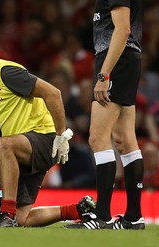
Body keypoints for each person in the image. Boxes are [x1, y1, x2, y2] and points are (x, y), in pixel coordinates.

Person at [0, 31, 73, 227]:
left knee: (4, 144)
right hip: (21, 151)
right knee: (23, 219)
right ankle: (79, 209)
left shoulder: (5, 71)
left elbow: (53, 93)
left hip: (42, 139)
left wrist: (61, 136)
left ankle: (5, 214)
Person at [66, 0, 145, 230]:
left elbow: (123, 29)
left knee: (98, 138)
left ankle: (102, 216)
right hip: (126, 58)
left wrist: (104, 75)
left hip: (116, 58)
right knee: (124, 139)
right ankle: (133, 218)